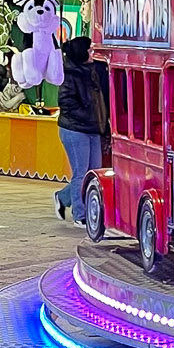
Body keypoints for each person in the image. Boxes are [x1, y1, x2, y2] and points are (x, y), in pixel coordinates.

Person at [53, 34, 108, 223]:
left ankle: (63, 197)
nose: (93, 52)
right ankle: (81, 215)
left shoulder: (94, 70)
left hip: (93, 128)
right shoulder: (70, 75)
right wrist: (88, 115)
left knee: (95, 172)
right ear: (82, 53)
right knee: (81, 173)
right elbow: (66, 103)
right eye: (90, 49)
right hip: (75, 130)